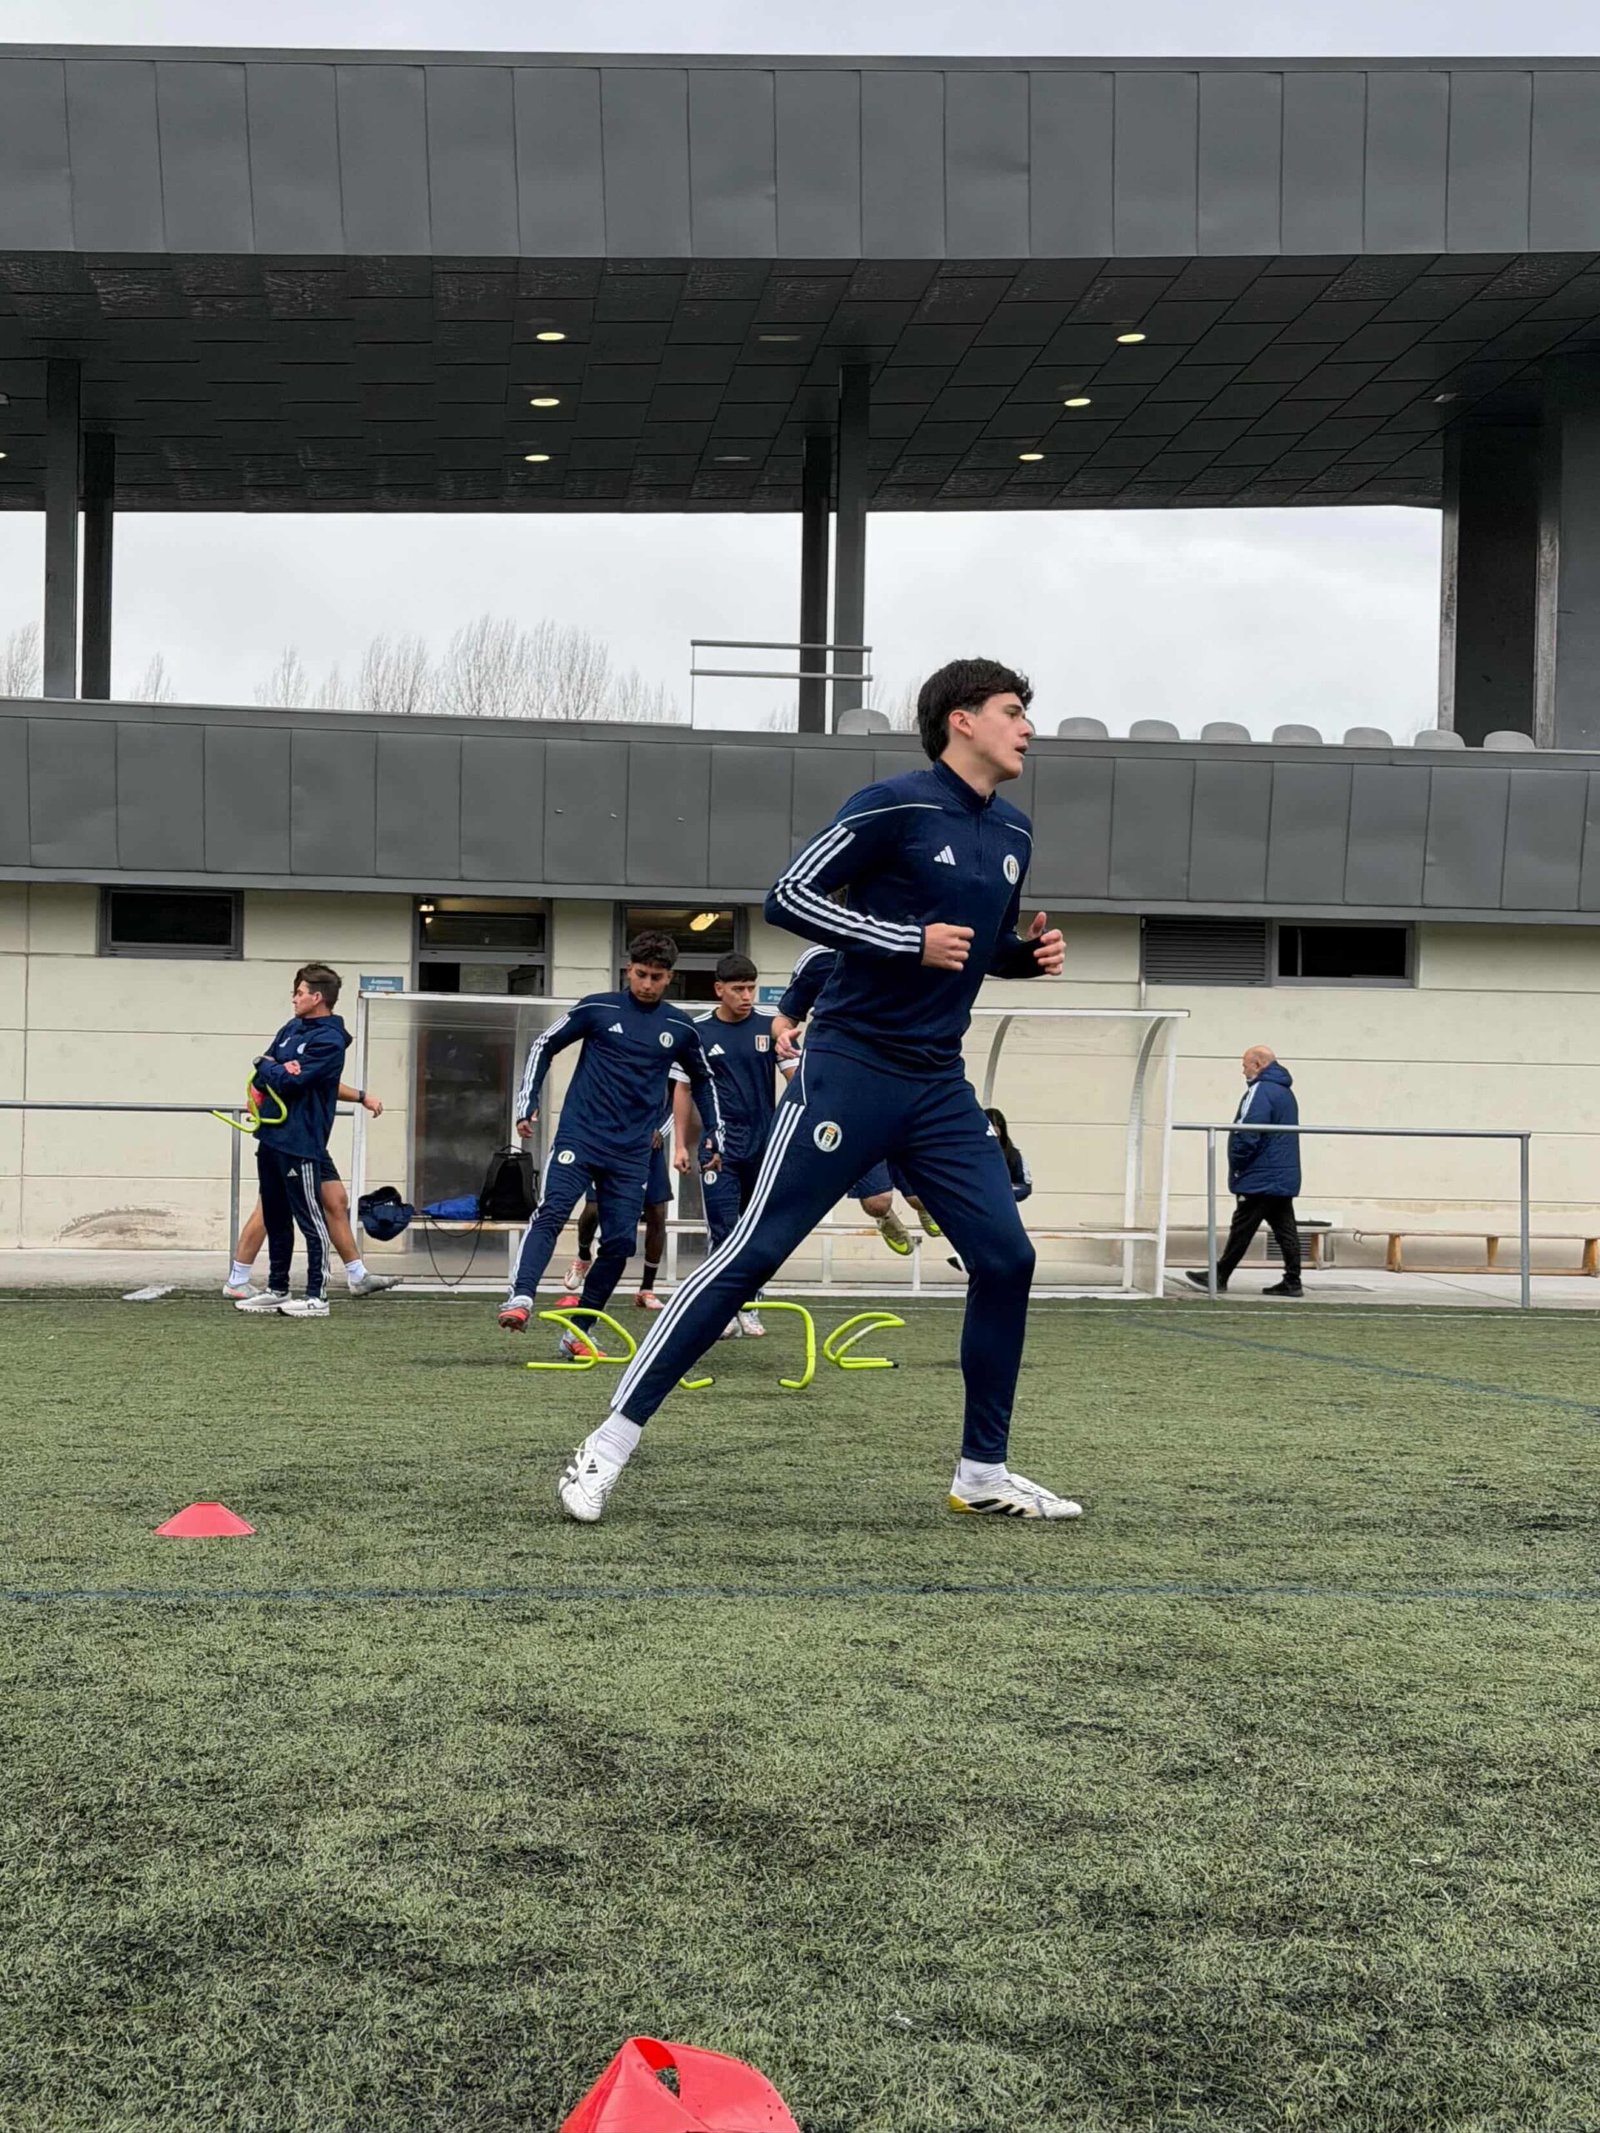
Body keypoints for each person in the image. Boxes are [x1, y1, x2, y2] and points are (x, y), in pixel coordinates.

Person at [556, 656, 1080, 1524]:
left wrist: (1018, 956)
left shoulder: (1016, 833)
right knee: (752, 1255)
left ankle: (982, 1474)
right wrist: (906, 938)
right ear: (961, 720)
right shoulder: (895, 805)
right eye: (1014, 710)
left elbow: (969, 945)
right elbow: (788, 896)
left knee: (1007, 1260)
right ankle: (605, 1443)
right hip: (850, 1070)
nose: (1028, 727)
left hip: (938, 1083)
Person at [498, 931, 723, 1351]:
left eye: (657, 977)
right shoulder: (598, 1008)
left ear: (669, 977)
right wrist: (526, 1101)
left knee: (620, 1243)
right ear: (628, 970)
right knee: (553, 1211)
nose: (648, 984)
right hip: (581, 1137)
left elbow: (703, 1080)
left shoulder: (679, 1026)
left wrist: (713, 1134)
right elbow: (544, 1044)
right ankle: (521, 1297)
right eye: (641, 974)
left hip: (633, 1150)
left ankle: (578, 1332)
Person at [773, 944, 941, 1255]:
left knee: (920, 1196)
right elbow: (783, 1020)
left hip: (899, 1088)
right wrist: (783, 1035)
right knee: (878, 1201)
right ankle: (885, 1217)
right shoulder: (820, 959)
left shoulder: (906, 947)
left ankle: (923, 1206)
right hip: (846, 1097)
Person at [670, 950, 785, 1339]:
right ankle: (723, 1309)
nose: (747, 995)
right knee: (723, 1229)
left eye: (751, 987)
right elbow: (683, 1088)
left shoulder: (770, 1026)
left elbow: (795, 1074)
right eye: (738, 989)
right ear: (720, 989)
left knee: (755, 1231)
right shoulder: (698, 1032)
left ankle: (749, 1303)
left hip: (763, 1145)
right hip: (718, 1147)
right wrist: (681, 1145)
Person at [233, 963, 353, 1318]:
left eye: (300, 993)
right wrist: (271, 1068)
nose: (295, 999)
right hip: (271, 1135)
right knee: (274, 1214)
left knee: (310, 1217)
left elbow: (291, 1082)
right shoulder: (291, 1028)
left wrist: (274, 1069)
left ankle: (317, 1295)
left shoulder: (330, 1040)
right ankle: (277, 1286)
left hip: (301, 1139)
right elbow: (264, 1068)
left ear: (317, 998)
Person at [222, 1081, 397, 1301]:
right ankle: (238, 1280)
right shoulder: (320, 1048)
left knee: (336, 1200)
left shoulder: (320, 1049)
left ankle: (357, 1275)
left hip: (311, 1139)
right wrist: (362, 1096)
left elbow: (321, 1080)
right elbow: (317, 1077)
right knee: (268, 1208)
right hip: (290, 1138)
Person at [1185, 1047, 1303, 1298]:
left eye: (1245, 1064)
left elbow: (1247, 1131)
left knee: (1243, 1226)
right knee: (1285, 1228)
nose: (1243, 1070)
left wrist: (1238, 1164)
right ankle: (1293, 1280)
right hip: (1281, 1174)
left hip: (1260, 1174)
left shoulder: (1260, 1090)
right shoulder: (1285, 1091)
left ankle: (1220, 1275)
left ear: (1258, 1064)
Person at [563, 1109, 673, 1312]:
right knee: (594, 1208)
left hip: (646, 1144)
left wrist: (660, 1129)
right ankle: (583, 1256)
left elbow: (676, 1095)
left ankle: (646, 1289)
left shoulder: (659, 1077)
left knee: (656, 1212)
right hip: (611, 1142)